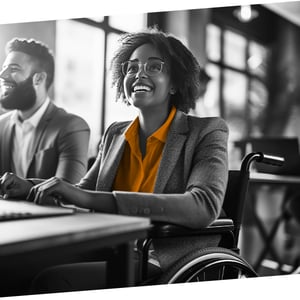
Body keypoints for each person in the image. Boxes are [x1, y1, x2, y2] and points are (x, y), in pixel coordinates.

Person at [0, 28, 228, 293]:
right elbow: (81, 192)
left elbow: (203, 206)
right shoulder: (115, 133)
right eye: (131, 68)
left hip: (161, 256)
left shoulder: (207, 131)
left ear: (175, 83)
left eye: (154, 67)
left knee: (53, 281)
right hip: (112, 246)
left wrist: (87, 199)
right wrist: (30, 187)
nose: (139, 74)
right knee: (12, 268)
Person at [0, 38, 90, 193]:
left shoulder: (72, 127)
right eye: (3, 68)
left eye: (13, 69)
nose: (2, 75)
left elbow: (69, 192)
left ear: (39, 78)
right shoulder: (1, 125)